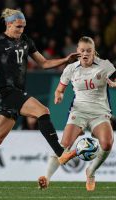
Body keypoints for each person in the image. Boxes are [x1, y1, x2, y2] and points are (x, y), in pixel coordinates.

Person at [0, 8, 79, 189]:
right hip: (7, 93)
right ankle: (60, 152)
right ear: (9, 24)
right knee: (43, 111)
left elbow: (44, 63)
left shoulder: (26, 41)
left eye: (23, 26)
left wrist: (65, 59)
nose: (21, 30)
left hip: (16, 92)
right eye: (18, 26)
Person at [38, 36, 116, 191]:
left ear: (94, 52)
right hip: (78, 111)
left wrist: (114, 84)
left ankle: (90, 172)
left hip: (100, 113)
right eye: (82, 50)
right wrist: (58, 94)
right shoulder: (71, 68)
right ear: (77, 52)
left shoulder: (105, 65)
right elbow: (60, 88)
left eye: (89, 50)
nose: (85, 53)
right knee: (63, 145)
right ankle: (46, 178)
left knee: (107, 143)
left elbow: (115, 79)